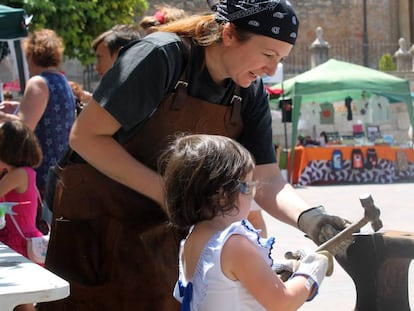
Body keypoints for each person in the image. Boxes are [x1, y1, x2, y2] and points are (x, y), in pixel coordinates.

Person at [40, 1, 348, 310]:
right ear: (229, 34)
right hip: (96, 225)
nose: (271, 69)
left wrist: (309, 219)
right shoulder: (160, 57)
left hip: (159, 233)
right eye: (268, 55)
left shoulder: (249, 91)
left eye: (280, 59)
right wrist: (169, 194)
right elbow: (85, 137)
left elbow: (267, 176)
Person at [159, 134, 333, 310]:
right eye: (248, 187)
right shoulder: (234, 244)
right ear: (223, 195)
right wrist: (312, 270)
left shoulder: (193, 240)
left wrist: (277, 270)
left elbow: (228, 287)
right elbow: (283, 302)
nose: (252, 196)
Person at [0, 29, 76, 197]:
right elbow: (47, 115)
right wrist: (17, 107)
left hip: (39, 176)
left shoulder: (38, 82)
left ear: (32, 55)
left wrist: (3, 117)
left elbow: (22, 130)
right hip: (59, 172)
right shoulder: (61, 80)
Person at [0, 120, 44, 311]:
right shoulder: (27, 173)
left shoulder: (17, 175)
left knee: (21, 302)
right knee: (20, 301)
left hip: (16, 242)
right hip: (26, 239)